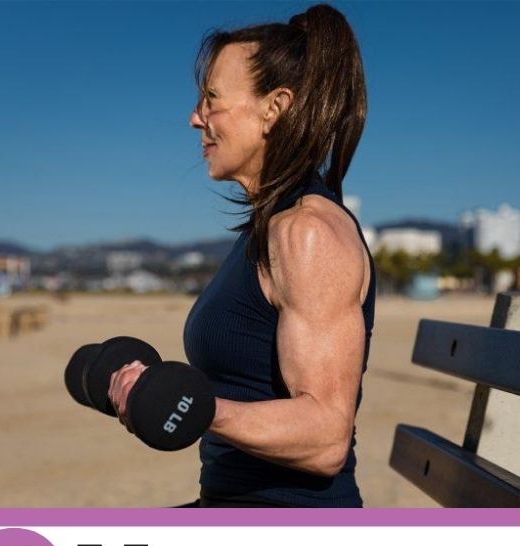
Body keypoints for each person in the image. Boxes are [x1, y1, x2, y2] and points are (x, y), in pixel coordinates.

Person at [108, 3, 376, 508]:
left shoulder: (308, 233)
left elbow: (325, 437)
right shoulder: (268, 228)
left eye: (211, 99)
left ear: (273, 110)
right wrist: (152, 388)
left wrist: (190, 405)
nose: (195, 118)